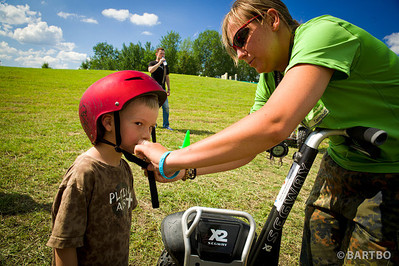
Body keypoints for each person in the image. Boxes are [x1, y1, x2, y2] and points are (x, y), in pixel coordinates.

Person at [135, 0, 399, 264]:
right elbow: (252, 144)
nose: (239, 54)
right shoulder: (272, 74)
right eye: (233, 48)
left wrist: (168, 158)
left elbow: (274, 125)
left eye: (241, 37)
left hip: (392, 172)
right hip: (339, 165)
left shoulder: (322, 33)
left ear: (272, 19)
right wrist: (185, 170)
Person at [46, 70, 167, 265]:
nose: (146, 135)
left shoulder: (123, 167)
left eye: (151, 127)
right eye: (139, 123)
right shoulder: (84, 174)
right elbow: (64, 244)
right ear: (108, 122)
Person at [148, 47, 173, 130]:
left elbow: (167, 77)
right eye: (161, 53)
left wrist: (169, 89)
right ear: (157, 54)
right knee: (154, 107)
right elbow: (150, 70)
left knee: (165, 107)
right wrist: (159, 63)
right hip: (154, 89)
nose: (163, 55)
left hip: (163, 89)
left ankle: (166, 125)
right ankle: (152, 124)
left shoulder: (165, 66)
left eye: (164, 54)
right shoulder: (152, 63)